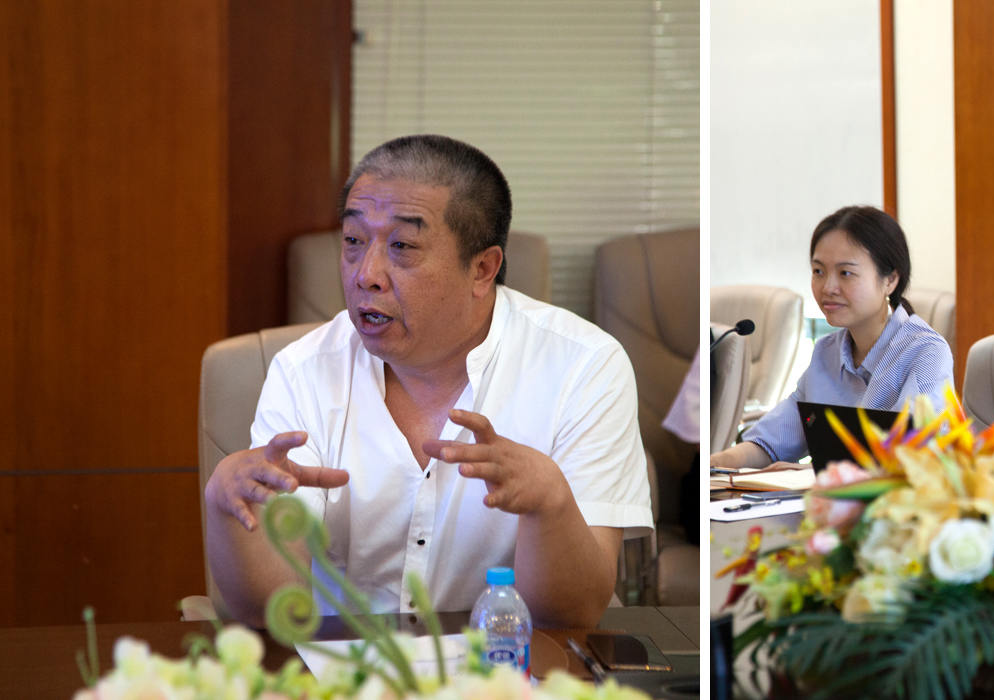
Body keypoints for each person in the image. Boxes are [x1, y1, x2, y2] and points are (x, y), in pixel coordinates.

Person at [203, 135, 654, 628]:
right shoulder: (304, 370)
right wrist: (225, 501)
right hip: (351, 662)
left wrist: (552, 506)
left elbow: (574, 613)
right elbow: (270, 608)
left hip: (506, 661)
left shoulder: (583, 367)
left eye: (402, 246)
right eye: (353, 241)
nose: (366, 275)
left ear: (483, 269)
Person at [709, 205, 953, 471]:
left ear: (890, 280)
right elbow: (769, 442)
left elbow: (913, 458)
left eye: (845, 273)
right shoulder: (826, 352)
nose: (828, 287)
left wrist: (804, 472)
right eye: (818, 271)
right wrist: (715, 465)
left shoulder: (926, 352)